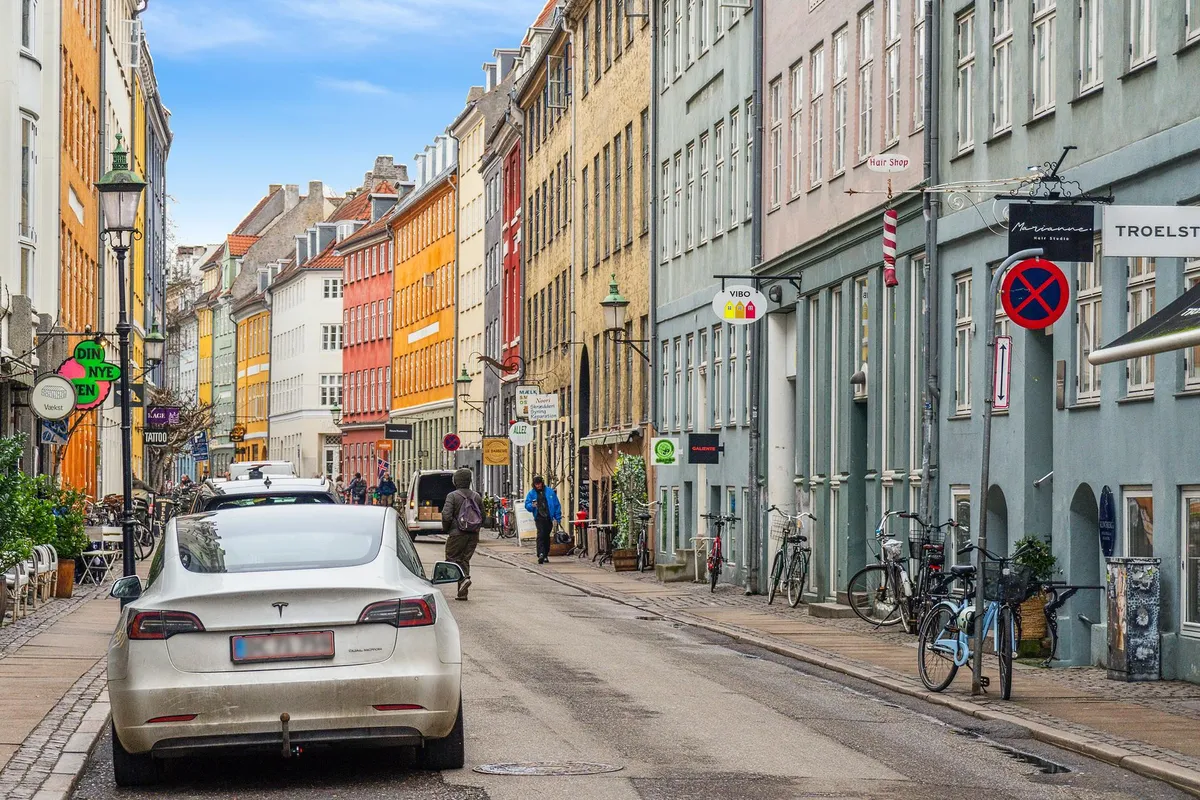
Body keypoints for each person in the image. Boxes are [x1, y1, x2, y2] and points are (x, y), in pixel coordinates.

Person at [441, 468, 484, 601]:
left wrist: (447, 529)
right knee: (464, 560)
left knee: (452, 559)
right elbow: (483, 517)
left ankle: (463, 579)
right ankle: (462, 593)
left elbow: (446, 515)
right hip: (473, 535)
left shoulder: (452, 496)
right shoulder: (476, 496)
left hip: (457, 534)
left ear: (456, 481)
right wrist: (475, 527)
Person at [524, 475, 562, 564]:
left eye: (539, 484)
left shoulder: (549, 492)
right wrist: (532, 506)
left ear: (542, 483)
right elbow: (527, 504)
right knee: (540, 535)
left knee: (546, 536)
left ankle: (545, 554)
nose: (538, 486)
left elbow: (556, 504)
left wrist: (557, 518)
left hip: (548, 517)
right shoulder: (531, 493)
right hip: (539, 517)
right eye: (536, 484)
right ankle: (541, 554)